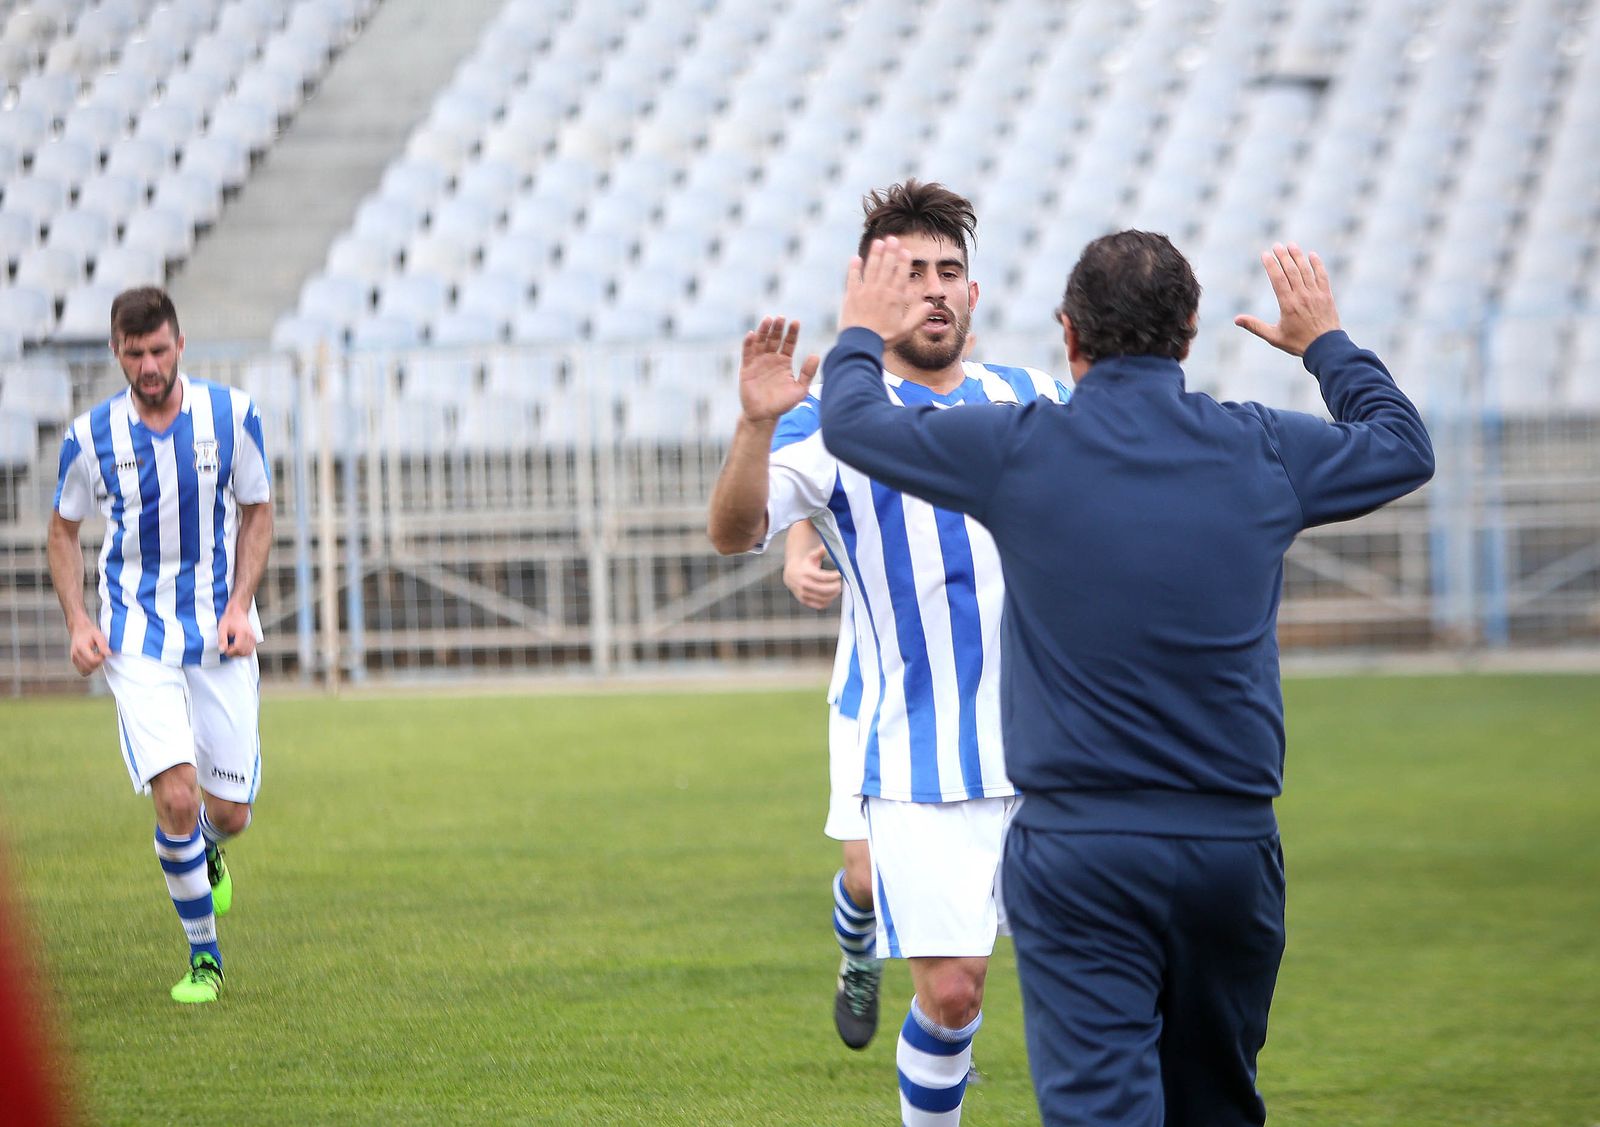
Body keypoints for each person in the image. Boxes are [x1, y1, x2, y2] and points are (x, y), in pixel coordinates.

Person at [817, 233, 1435, 1125]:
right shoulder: (1258, 447)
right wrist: (1325, 343)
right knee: (1215, 1106)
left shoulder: (1022, 445)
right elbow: (1402, 446)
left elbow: (855, 426)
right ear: (1189, 332)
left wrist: (860, 334)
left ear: (1070, 336)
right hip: (1231, 849)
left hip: (1081, 846)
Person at [707, 180, 1069, 1125]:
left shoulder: (1033, 396)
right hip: (913, 746)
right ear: (868, 290)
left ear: (975, 294)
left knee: (1098, 996)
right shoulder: (827, 411)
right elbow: (734, 528)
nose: (935, 290)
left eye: (950, 271)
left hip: (1056, 747)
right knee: (952, 994)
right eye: (912, 274)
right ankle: (859, 946)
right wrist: (753, 426)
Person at [47, 286, 273, 1005]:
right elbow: (62, 530)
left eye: (159, 349)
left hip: (218, 630)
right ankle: (204, 956)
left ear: (181, 343)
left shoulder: (232, 416)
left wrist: (240, 605)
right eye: (134, 352)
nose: (148, 363)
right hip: (135, 636)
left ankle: (207, 839)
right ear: (117, 352)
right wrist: (80, 621)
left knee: (227, 813)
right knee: (175, 795)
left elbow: (258, 511)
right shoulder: (89, 438)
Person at [781, 522, 882, 1049]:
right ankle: (860, 958)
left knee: (977, 885)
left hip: (979, 698)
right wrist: (798, 558)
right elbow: (809, 498)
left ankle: (948, 1028)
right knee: (865, 879)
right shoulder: (864, 439)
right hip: (870, 695)